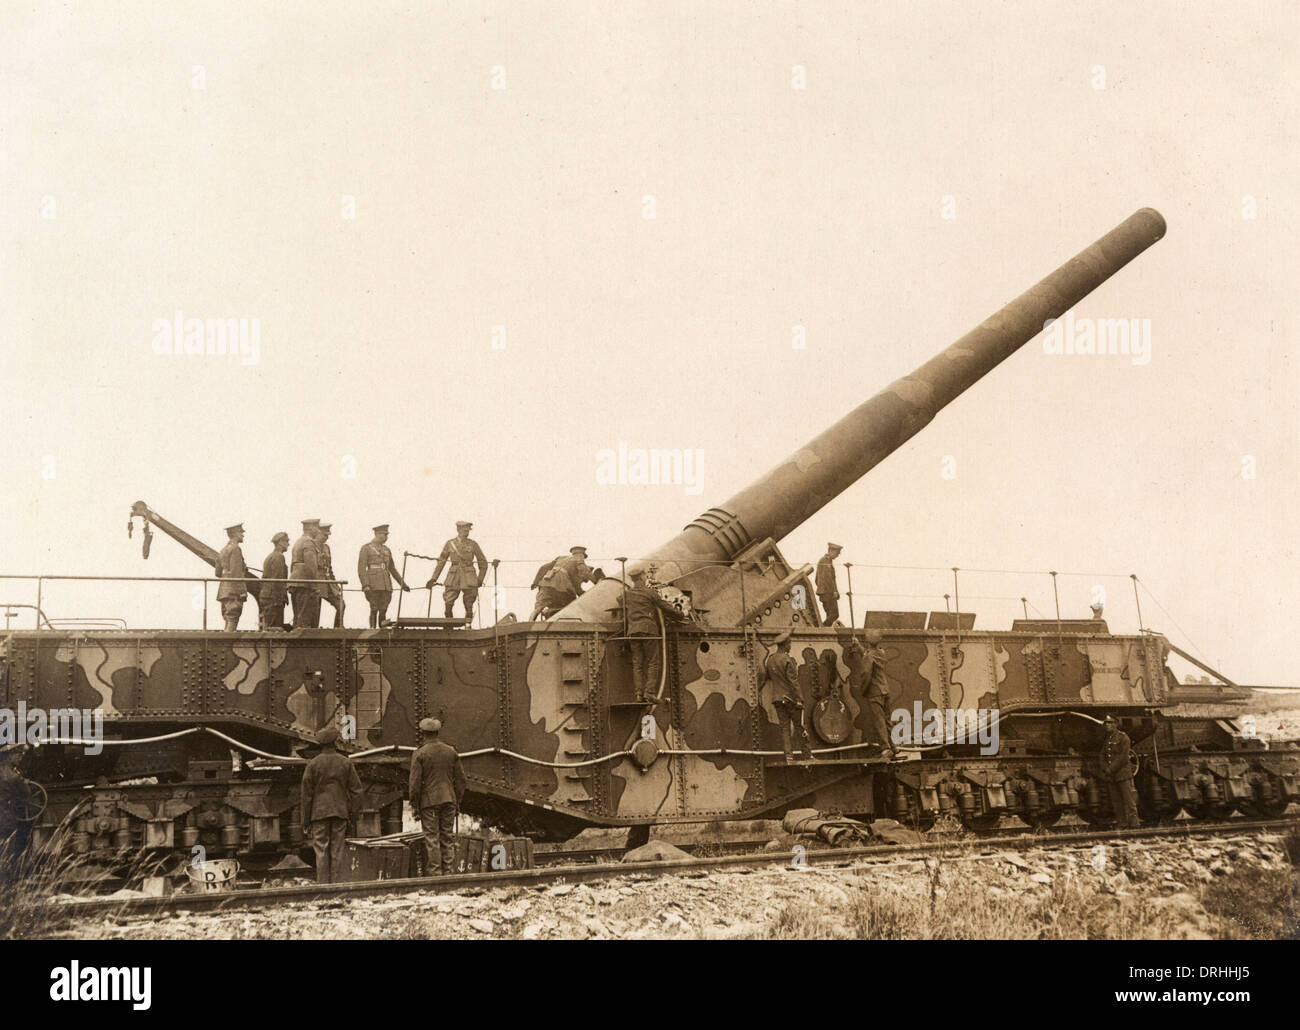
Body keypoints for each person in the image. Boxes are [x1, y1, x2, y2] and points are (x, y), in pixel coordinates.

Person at [300, 727, 362, 883]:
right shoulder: (345, 762)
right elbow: (357, 791)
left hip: (318, 814)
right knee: (337, 850)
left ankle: (323, 885)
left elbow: (306, 796)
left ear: (320, 744)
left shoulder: (313, 764)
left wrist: (305, 821)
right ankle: (336, 884)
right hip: (340, 813)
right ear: (335, 742)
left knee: (321, 851)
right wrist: (353, 815)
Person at [408, 718, 466, 875]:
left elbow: (414, 784)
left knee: (432, 839)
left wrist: (414, 805)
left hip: (429, 803)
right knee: (447, 837)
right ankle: (448, 872)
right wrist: (457, 800)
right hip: (449, 800)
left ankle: (435, 873)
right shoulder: (451, 751)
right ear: (437, 732)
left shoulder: (420, 754)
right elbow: (461, 781)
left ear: (423, 733)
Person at [621, 569, 686, 703]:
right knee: (652, 662)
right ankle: (649, 693)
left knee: (637, 664)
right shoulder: (650, 592)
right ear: (641, 577)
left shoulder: (627, 594)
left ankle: (638, 694)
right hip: (648, 630)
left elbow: (619, 601)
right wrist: (681, 614)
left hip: (633, 632)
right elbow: (665, 607)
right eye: (644, 575)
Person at [763, 629, 813, 761]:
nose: (790, 646)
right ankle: (807, 755)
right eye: (789, 643)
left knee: (784, 728)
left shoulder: (770, 660)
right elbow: (794, 682)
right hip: (790, 699)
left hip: (777, 699)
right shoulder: (787, 660)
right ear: (785, 644)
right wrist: (800, 699)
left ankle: (788, 756)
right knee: (800, 726)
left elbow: (767, 676)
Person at [427, 521, 488, 622]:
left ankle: (468, 627)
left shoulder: (473, 544)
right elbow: (441, 562)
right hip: (453, 576)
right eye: (464, 530)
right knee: (448, 602)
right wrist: (433, 579)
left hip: (469, 577)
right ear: (458, 530)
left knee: (469, 604)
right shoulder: (450, 544)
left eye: (468, 531)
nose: (467, 532)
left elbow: (483, 563)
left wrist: (480, 579)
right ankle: (448, 627)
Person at [357, 524, 411, 628]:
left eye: (387, 535)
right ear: (377, 534)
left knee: (383, 609)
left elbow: (392, 569)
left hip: (386, 584)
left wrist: (403, 584)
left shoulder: (387, 550)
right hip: (373, 584)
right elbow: (361, 569)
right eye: (384, 535)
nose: (386, 537)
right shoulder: (366, 548)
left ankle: (381, 632)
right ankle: (372, 630)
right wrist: (365, 585)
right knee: (374, 608)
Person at [529, 546, 601, 620]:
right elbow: (584, 576)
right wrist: (598, 584)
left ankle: (531, 621)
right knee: (572, 605)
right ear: (582, 554)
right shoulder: (579, 560)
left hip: (546, 582)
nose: (584, 581)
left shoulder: (560, 558)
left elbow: (544, 567)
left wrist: (535, 582)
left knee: (539, 607)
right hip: (562, 583)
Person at [1100, 715, 1140, 828]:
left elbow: (1123, 757)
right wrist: (1104, 768)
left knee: (1129, 800)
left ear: (1116, 724)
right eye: (1106, 723)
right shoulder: (1108, 739)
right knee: (1116, 802)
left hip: (1122, 774)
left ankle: (1134, 823)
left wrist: (1110, 769)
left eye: (1110, 723)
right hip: (1112, 775)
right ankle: (1122, 823)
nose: (1107, 725)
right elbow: (1102, 755)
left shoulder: (1123, 737)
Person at [214, 523, 249, 631]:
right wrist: (242, 592)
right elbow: (236, 573)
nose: (243, 535)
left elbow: (217, 573)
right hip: (234, 591)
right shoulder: (236, 549)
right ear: (234, 534)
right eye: (241, 532)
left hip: (224, 590)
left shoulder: (223, 550)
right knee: (233, 617)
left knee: (228, 618)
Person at [290, 518, 323, 629]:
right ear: (311, 528)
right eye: (317, 528)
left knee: (298, 616)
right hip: (305, 584)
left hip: (296, 582)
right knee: (305, 618)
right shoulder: (308, 543)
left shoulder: (298, 542)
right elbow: (311, 566)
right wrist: (315, 585)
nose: (319, 531)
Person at [259, 532, 290, 629]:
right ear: (280, 542)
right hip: (273, 598)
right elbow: (278, 580)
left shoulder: (271, 556)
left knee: (270, 626)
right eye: (287, 541)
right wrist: (279, 599)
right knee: (274, 629)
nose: (288, 544)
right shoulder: (279, 557)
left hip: (268, 596)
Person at [318, 522, 345, 628]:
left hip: (328, 582)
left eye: (328, 535)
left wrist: (335, 584)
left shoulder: (326, 548)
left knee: (341, 604)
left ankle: (337, 628)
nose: (326, 538)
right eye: (325, 535)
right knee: (316, 609)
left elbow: (330, 567)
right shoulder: (312, 546)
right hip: (318, 583)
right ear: (318, 533)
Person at [816, 543, 843, 625]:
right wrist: (834, 591)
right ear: (831, 551)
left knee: (829, 614)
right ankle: (822, 627)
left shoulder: (825, 561)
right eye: (837, 553)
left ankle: (825, 629)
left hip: (824, 592)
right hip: (828, 592)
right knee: (834, 614)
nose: (838, 555)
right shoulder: (825, 561)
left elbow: (817, 579)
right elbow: (828, 578)